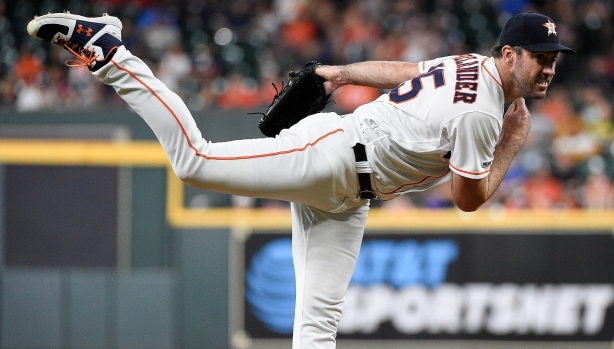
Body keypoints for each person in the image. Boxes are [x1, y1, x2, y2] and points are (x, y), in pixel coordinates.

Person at [27, 11, 575, 349]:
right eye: (539, 58)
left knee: (317, 329)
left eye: (553, 59)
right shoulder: (486, 113)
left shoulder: (471, 63)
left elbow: (408, 73)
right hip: (334, 156)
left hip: (349, 196)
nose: (549, 68)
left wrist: (339, 72)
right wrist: (512, 143)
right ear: (509, 54)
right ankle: (111, 53)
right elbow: (467, 199)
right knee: (194, 160)